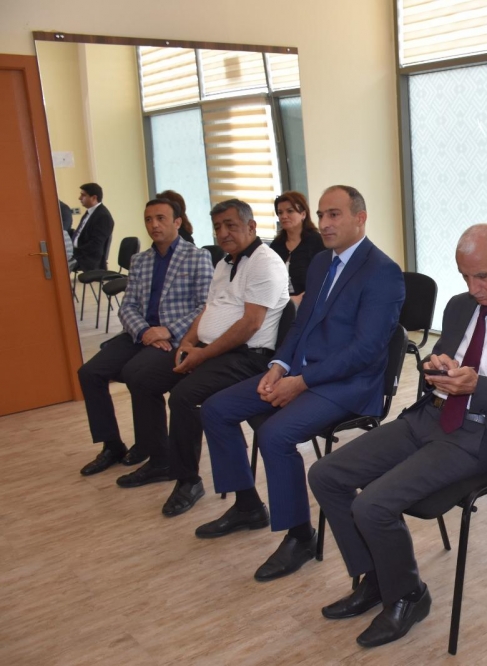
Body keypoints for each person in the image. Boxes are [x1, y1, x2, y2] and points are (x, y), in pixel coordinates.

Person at [308, 224, 487, 648]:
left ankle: (408, 595)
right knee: (326, 474)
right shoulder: (459, 305)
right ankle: (376, 576)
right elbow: (441, 353)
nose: (473, 287)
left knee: (373, 505)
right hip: (432, 416)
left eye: (482, 276)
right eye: (464, 276)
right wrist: (434, 366)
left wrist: (477, 387)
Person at [196, 185, 405, 582]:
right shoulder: (321, 262)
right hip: (302, 372)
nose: (324, 223)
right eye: (321, 215)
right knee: (217, 409)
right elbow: (301, 325)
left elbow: (365, 351)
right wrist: (278, 366)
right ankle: (247, 505)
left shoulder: (383, 272)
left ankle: (299, 536)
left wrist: (302, 381)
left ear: (360, 218)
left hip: (349, 384)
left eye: (334, 215)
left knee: (274, 435)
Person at [116, 199, 289, 519]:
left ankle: (187, 481)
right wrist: (186, 343)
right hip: (210, 350)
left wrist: (201, 355)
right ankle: (160, 460)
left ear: (251, 226)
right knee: (143, 377)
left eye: (231, 226)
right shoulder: (224, 263)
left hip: (247, 357)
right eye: (218, 227)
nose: (223, 233)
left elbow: (250, 325)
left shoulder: (265, 263)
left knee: (184, 397)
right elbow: (209, 309)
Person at [77, 198, 213, 476]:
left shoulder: (197, 257)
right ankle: (112, 445)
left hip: (176, 337)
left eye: (161, 218)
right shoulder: (140, 260)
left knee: (137, 375)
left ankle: (157, 454)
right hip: (140, 333)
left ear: (177, 222)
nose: (154, 225)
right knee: (89, 373)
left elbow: (206, 306)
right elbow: (127, 306)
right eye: (149, 219)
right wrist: (144, 331)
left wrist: (168, 330)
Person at [269, 191, 325, 306]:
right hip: (280, 306)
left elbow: (324, 279)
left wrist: (301, 299)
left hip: (312, 303)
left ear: (303, 214)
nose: (284, 216)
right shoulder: (276, 245)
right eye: (280, 212)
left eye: (290, 211)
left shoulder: (317, 242)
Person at [72, 183, 115, 271]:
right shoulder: (90, 212)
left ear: (94, 198)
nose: (79, 198)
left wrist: (76, 253)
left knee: (58, 264)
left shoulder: (103, 216)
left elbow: (95, 244)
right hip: (78, 254)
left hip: (88, 258)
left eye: (83, 195)